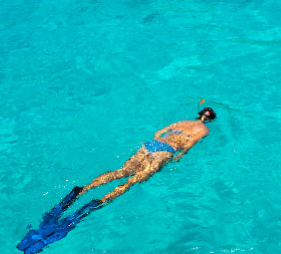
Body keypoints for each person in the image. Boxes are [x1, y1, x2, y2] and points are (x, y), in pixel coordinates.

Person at [17, 107, 217, 254]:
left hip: (152, 145)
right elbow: (188, 145)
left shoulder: (181, 122)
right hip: (165, 152)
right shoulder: (203, 130)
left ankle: (84, 189)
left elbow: (158, 132)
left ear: (198, 113)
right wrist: (177, 158)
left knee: (122, 171)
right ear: (209, 120)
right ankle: (102, 200)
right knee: (132, 181)